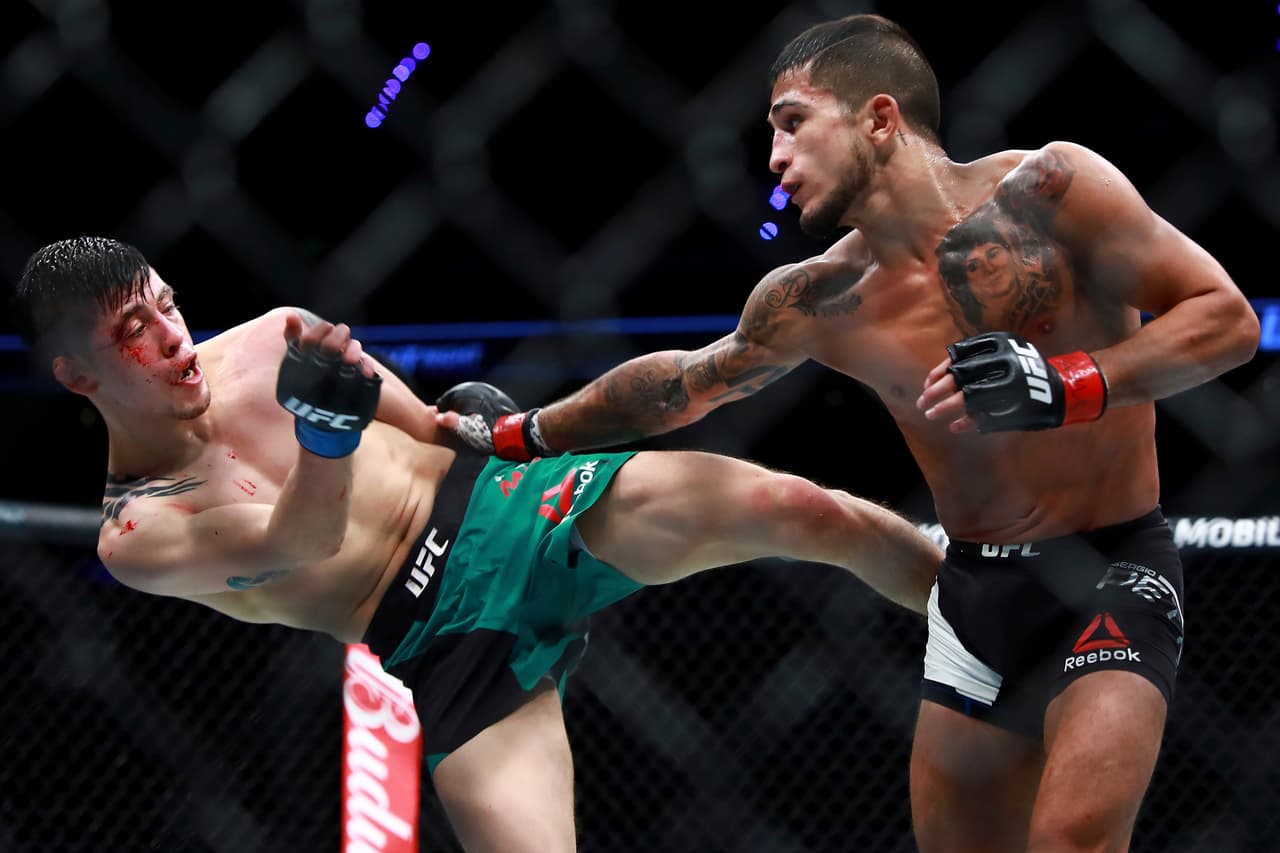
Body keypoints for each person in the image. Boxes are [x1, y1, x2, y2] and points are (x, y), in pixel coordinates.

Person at [434, 13, 1261, 852]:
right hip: (974, 591)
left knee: (1073, 839)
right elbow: (683, 388)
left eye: (793, 122)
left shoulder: (1051, 191)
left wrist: (1069, 383)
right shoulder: (821, 296)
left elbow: (1224, 319)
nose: (773, 159)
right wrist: (518, 432)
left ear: (878, 117)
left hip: (1113, 562)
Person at [11, 235, 944, 853]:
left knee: (804, 507)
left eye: (168, 306)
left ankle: (982, 601)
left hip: (515, 510)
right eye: (135, 331)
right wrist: (326, 438)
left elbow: (395, 401)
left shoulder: (265, 341)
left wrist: (456, 424)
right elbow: (303, 536)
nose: (173, 337)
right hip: (443, 644)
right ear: (75, 371)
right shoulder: (137, 530)